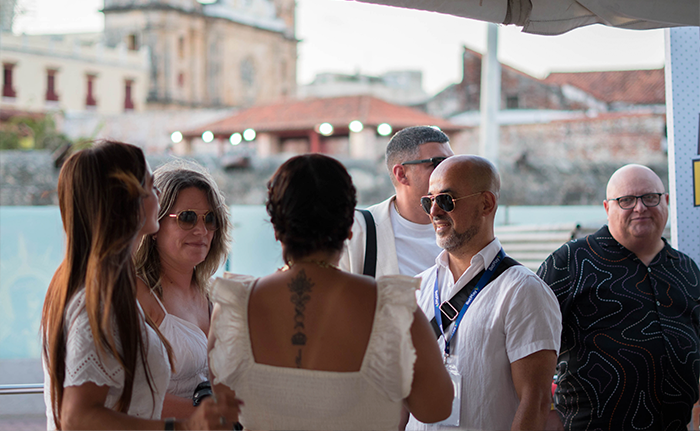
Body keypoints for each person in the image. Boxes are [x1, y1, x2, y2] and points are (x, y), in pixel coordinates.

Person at [208, 154, 454, 430]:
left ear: (276, 229)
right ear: (349, 227)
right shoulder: (392, 309)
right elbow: (436, 408)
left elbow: (226, 407)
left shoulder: (234, 307)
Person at [41, 141, 240, 430]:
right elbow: (76, 417)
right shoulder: (97, 298)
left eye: (210, 219)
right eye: (150, 185)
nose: (157, 192)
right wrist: (185, 426)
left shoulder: (108, 286)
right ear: (126, 200)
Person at [538, 164, 700, 431]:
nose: (640, 208)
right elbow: (529, 345)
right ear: (607, 207)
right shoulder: (571, 262)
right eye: (626, 200)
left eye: (650, 197)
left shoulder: (686, 269)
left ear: (666, 201)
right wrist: (547, 411)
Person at [407, 154, 561, 431]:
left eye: (446, 200)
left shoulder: (523, 291)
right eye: (428, 201)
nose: (434, 212)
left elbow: (535, 402)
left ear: (486, 204)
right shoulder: (418, 287)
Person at [135, 162, 231, 419]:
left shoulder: (214, 295)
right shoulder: (135, 293)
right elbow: (127, 395)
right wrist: (208, 417)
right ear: (154, 225)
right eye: (187, 218)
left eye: (210, 219)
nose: (201, 230)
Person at [339, 125, 453, 277]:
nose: (449, 171)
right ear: (402, 174)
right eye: (438, 163)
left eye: (452, 163)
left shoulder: (467, 226)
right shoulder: (358, 231)